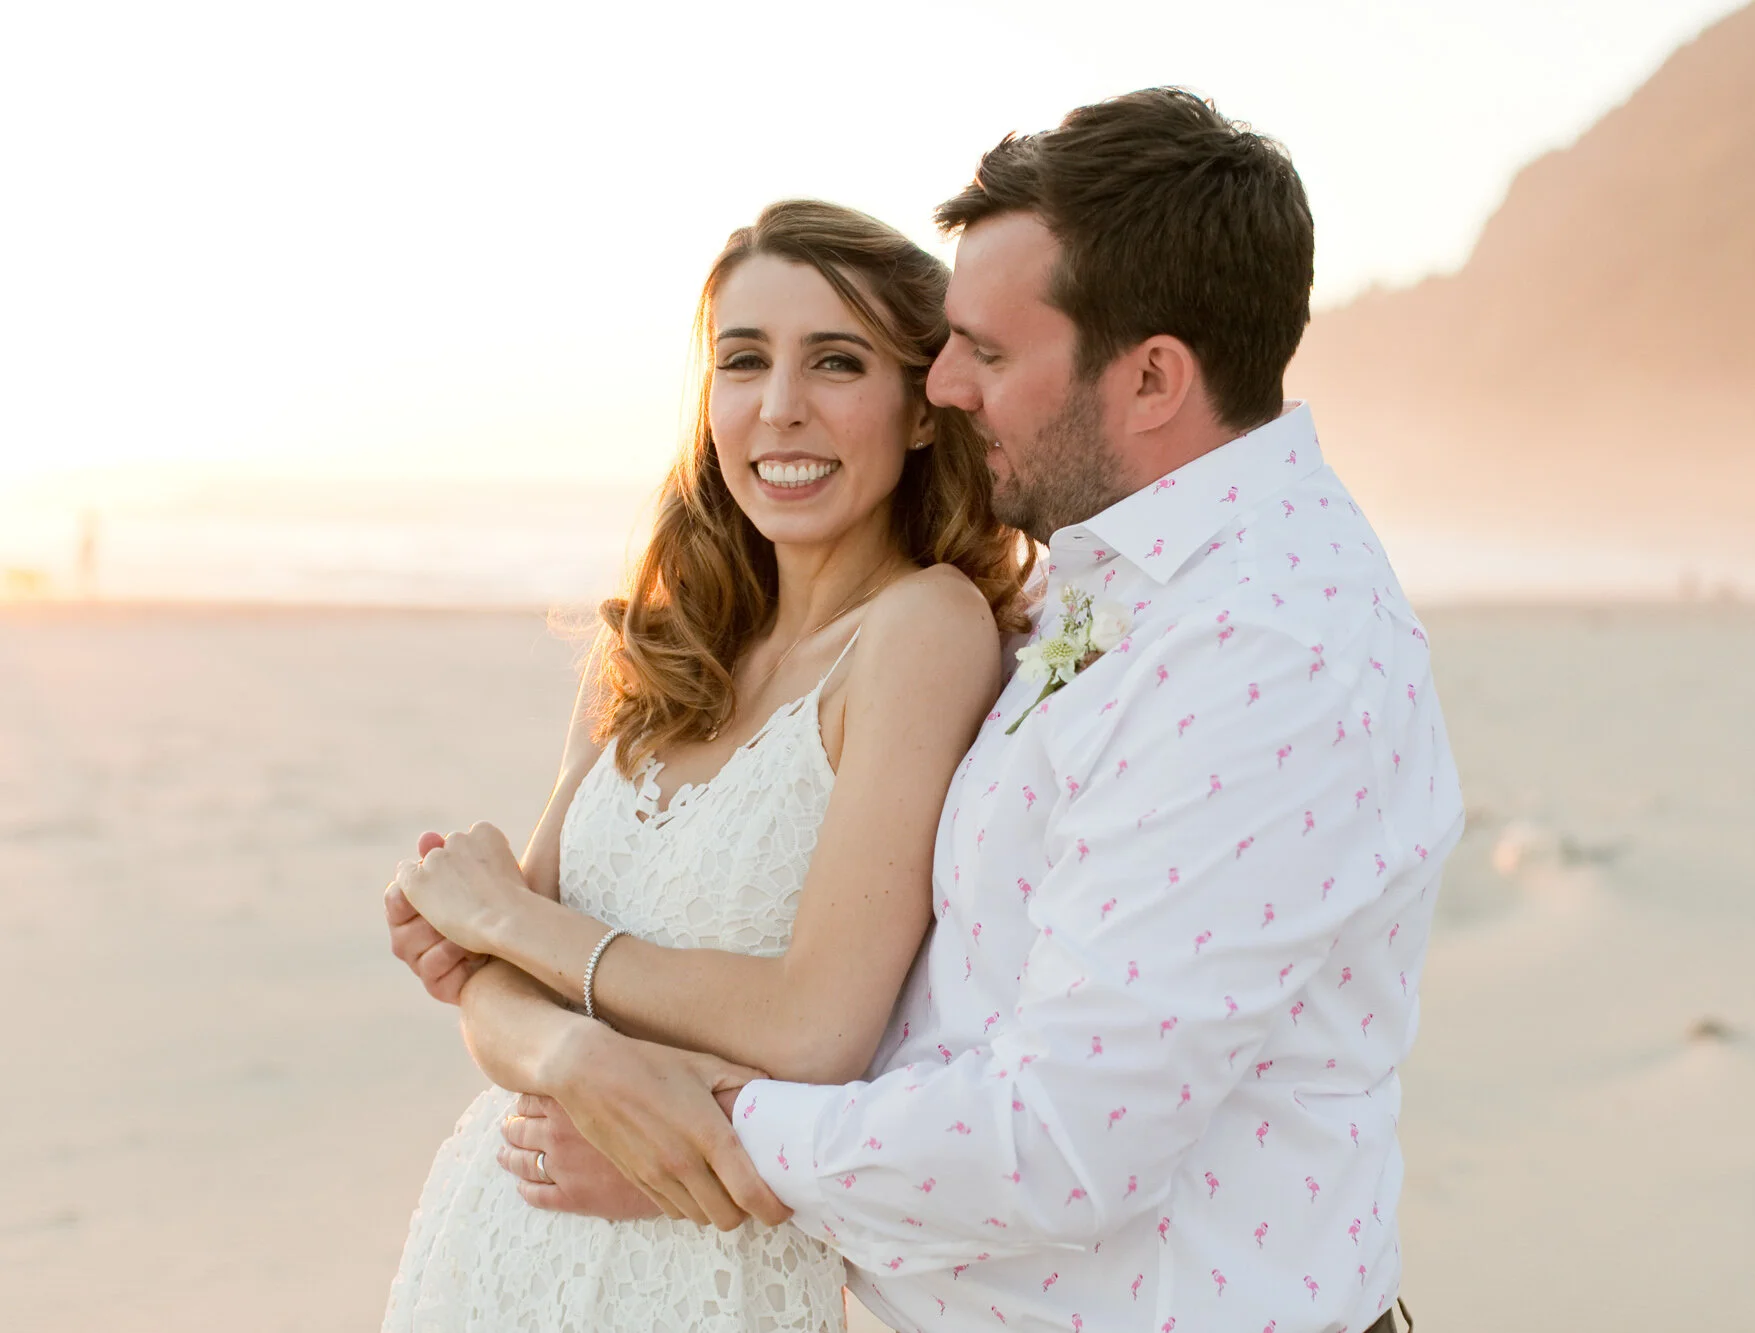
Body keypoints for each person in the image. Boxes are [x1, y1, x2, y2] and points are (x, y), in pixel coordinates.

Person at [403, 87, 1463, 1333]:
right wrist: (542, 1011)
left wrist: (681, 1129)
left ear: (1153, 378)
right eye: (740, 359)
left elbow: (1061, 1136)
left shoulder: (1261, 648)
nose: (947, 383)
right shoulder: (1116, 581)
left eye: (988, 353)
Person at [379, 198, 1032, 1331]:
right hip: (491, 1244)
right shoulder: (653, 643)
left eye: (836, 361)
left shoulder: (921, 630)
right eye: (743, 362)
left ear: (920, 411)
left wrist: (511, 926)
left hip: (697, 1275)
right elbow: (493, 999)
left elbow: (813, 1025)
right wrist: (575, 1054)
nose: (780, 408)